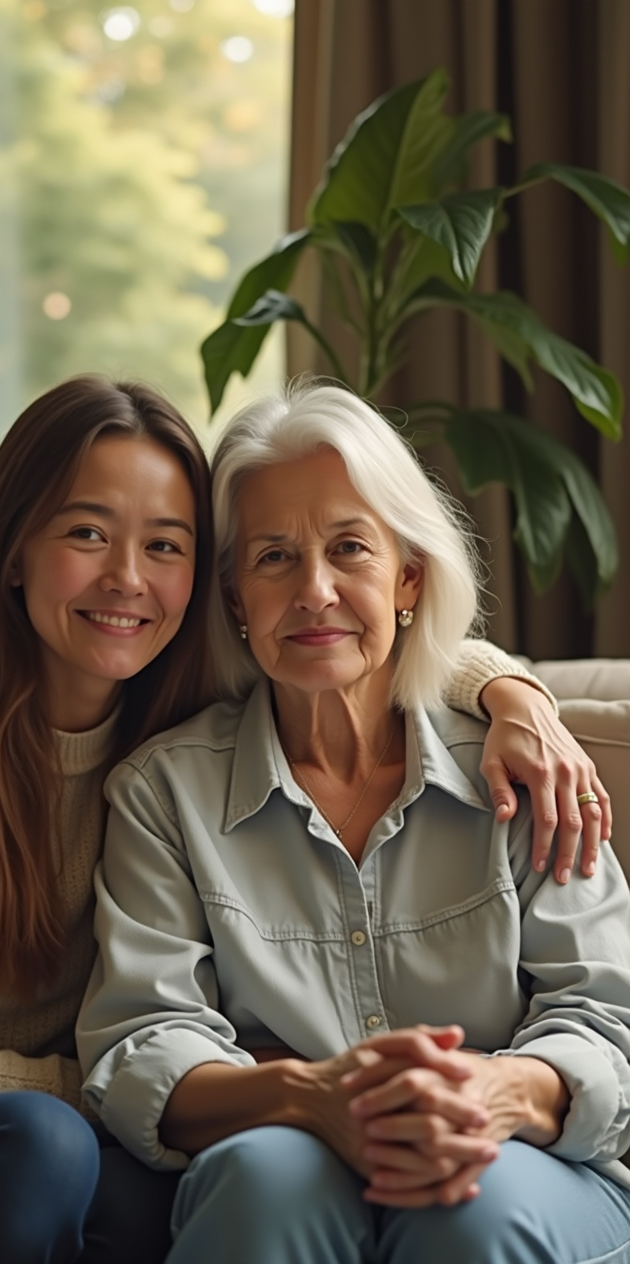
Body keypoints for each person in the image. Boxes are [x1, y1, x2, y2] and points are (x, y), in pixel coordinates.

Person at [0, 376, 607, 1263]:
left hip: (74, 1143)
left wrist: (515, 694)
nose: (128, 579)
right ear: (13, 551)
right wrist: (201, 1087)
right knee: (80, 1155)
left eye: (165, 545)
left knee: (153, 1193)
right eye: (88, 532)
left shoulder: (166, 701)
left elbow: (357, 642)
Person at [77, 382, 630, 1264]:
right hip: (275, 1146)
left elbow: (606, 1014)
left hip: (524, 1157)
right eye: (273, 559)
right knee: (264, 1187)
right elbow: (144, 1041)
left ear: (408, 576)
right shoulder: (163, 791)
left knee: (471, 1206)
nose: (316, 591)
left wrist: (497, 1091)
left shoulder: (522, 765)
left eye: (350, 549)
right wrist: (308, 1095)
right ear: (232, 598)